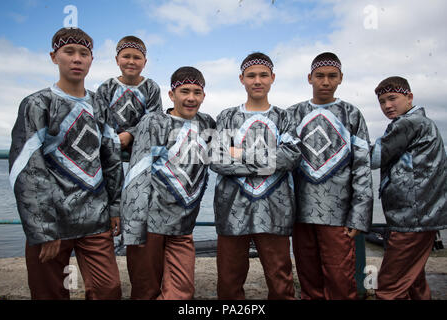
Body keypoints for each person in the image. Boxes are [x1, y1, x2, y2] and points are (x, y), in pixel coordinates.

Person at [8, 27, 123, 300]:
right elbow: (27, 169)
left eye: (84, 53)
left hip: (95, 218)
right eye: (68, 52)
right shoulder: (37, 104)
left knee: (108, 289)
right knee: (49, 292)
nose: (76, 59)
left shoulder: (99, 104)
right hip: (53, 222)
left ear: (91, 60)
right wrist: (43, 229)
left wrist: (115, 205)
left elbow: (111, 159)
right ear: (53, 57)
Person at [210, 52, 302, 300]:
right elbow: (217, 160)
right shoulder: (226, 116)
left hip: (275, 210)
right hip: (232, 211)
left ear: (273, 78)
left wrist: (239, 153)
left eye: (263, 75)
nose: (257, 80)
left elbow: (290, 158)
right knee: (229, 281)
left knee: (280, 280)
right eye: (251, 75)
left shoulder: (285, 117)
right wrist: (270, 160)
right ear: (242, 79)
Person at [121, 66, 215, 300]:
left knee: (181, 292)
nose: (191, 98)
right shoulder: (153, 122)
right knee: (145, 291)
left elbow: (222, 156)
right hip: (149, 225)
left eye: (197, 92)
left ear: (204, 95)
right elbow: (137, 175)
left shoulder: (207, 124)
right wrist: (134, 229)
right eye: (184, 91)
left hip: (183, 227)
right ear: (171, 95)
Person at [287, 52, 373, 300]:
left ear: (341, 78)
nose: (325, 82)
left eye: (332, 76)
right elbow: (284, 159)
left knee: (340, 278)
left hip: (338, 213)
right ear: (309, 78)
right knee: (308, 276)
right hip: (300, 213)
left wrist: (359, 215)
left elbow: (362, 166)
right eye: (320, 76)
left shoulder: (351, 113)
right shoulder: (294, 113)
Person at [371, 76, 446, 300]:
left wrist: (342, 144)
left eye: (392, 98)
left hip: (411, 219)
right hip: (423, 216)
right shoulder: (424, 124)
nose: (387, 106)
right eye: (382, 101)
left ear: (409, 96)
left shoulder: (410, 123)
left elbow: (375, 157)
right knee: (413, 280)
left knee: (388, 287)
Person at [95, 35, 162, 152]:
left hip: (141, 153)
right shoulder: (106, 88)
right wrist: (115, 140)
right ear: (117, 60)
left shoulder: (151, 88)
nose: (131, 61)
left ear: (145, 62)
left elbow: (154, 121)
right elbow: (99, 121)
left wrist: (131, 134)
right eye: (126, 56)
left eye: (137, 58)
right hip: (109, 153)